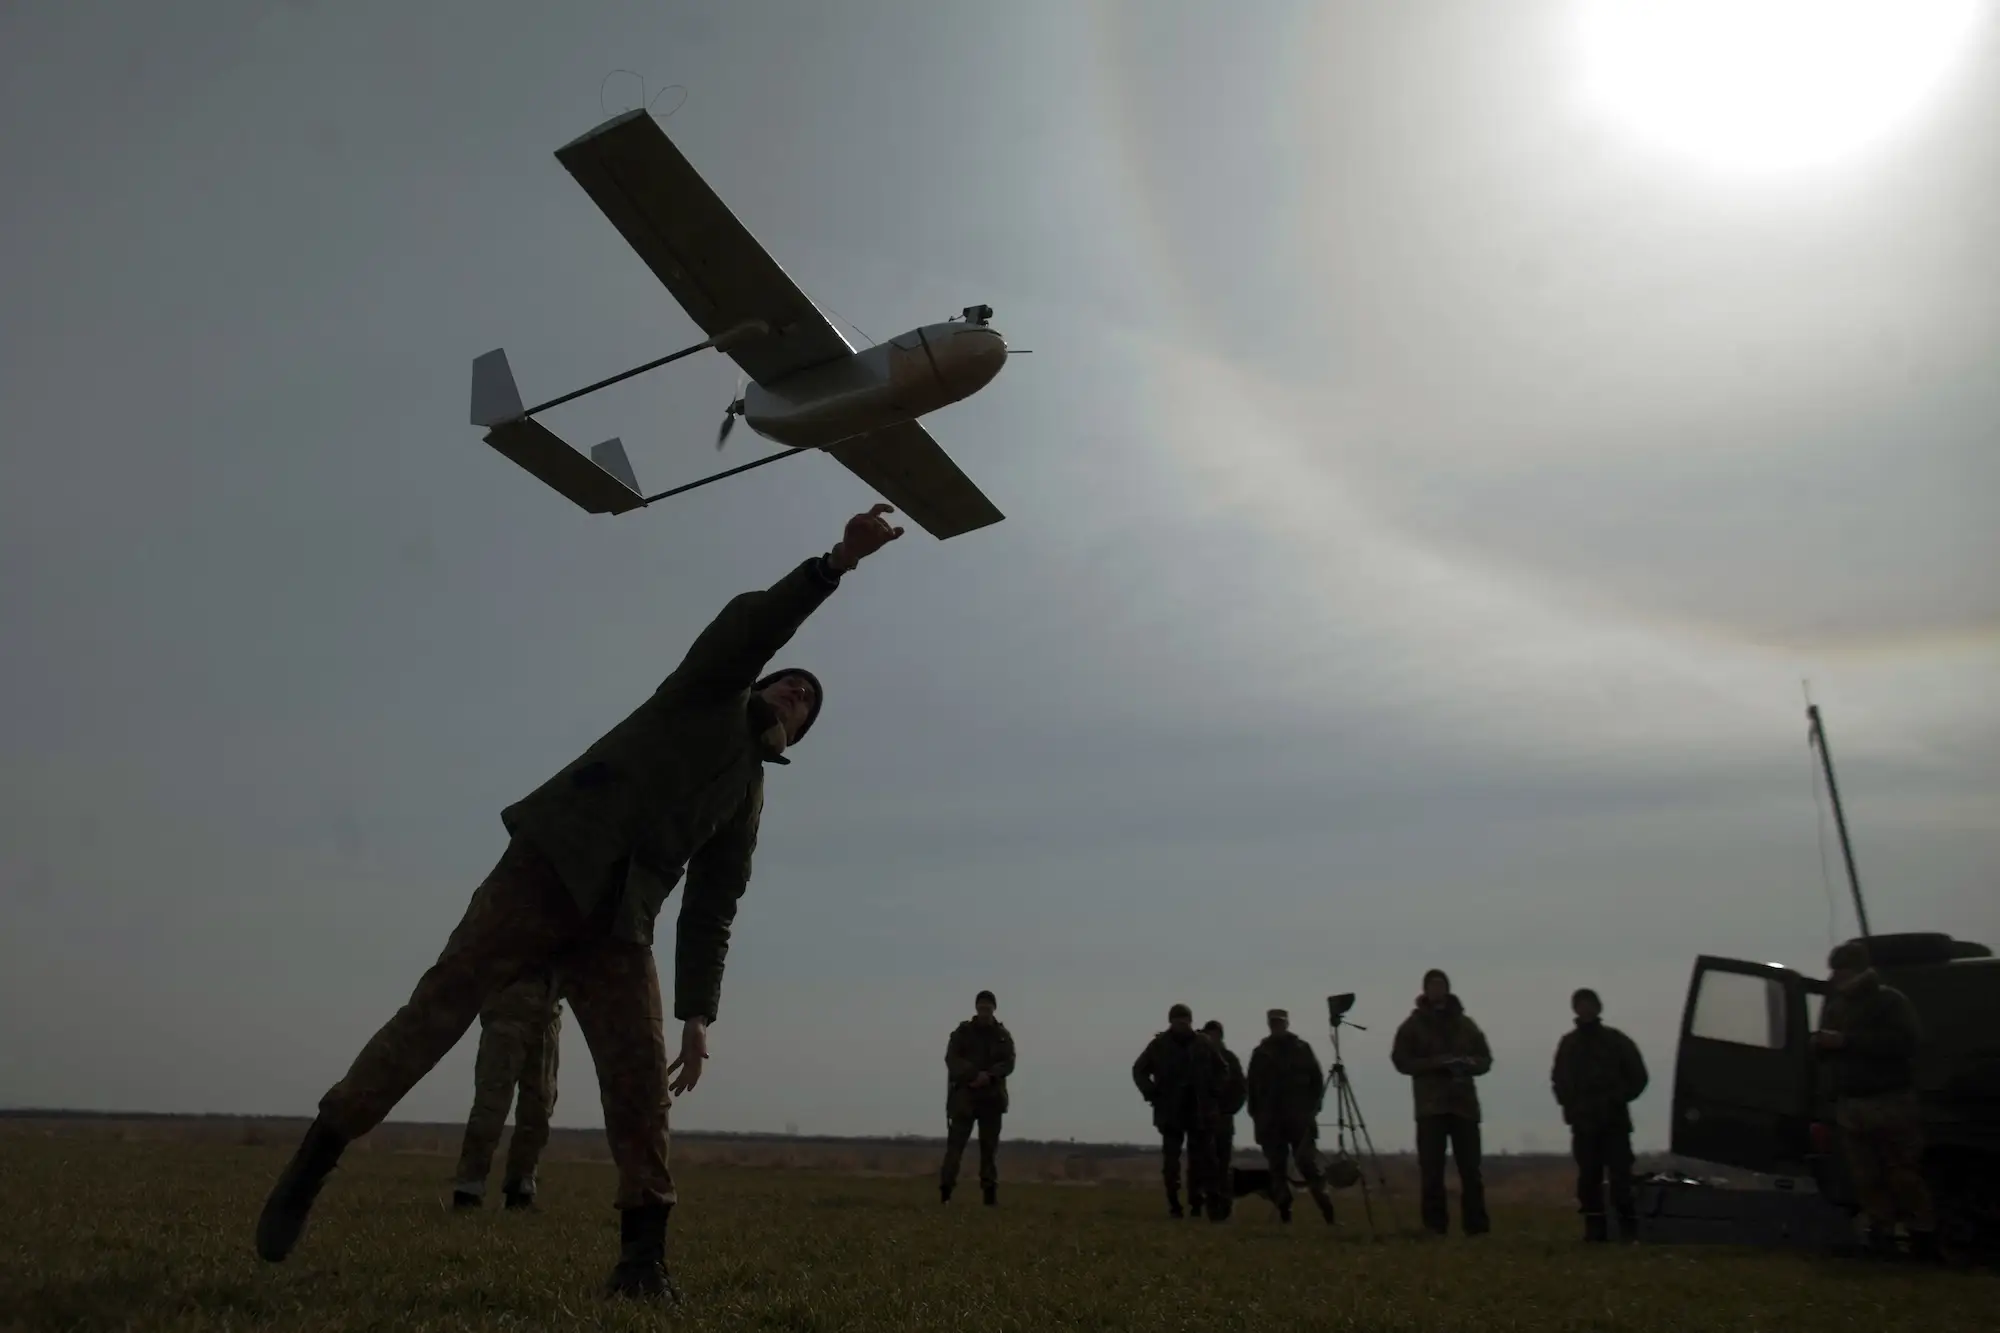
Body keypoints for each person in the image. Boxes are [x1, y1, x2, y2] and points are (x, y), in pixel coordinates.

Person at [253, 505, 908, 1303]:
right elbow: (754, 626)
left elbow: (714, 905)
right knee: (438, 1008)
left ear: (799, 734)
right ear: (762, 681)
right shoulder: (706, 691)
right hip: (548, 865)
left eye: (808, 700)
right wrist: (836, 562)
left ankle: (642, 1259)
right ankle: (318, 1153)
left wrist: (698, 1016)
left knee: (639, 1081)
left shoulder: (748, 796)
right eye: (790, 680)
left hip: (618, 925)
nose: (795, 692)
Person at [1813, 939, 1941, 1262]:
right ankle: (1882, 1237)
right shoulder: (1837, 1007)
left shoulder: (1890, 1002)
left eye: (1841, 970)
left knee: (1902, 1174)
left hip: (1890, 1101)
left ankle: (1923, 1238)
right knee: (1866, 1177)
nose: (1836, 978)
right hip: (1851, 1104)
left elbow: (1904, 1042)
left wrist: (1846, 1042)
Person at [451, 969, 565, 1210]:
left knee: (540, 1106)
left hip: (546, 1018)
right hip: (506, 1016)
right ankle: (469, 1186)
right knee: (491, 1105)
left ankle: (521, 1184)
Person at [1390, 968, 1493, 1236]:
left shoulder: (1466, 1025)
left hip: (1464, 1106)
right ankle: (1435, 1226)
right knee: (1431, 1171)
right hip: (1431, 1107)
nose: (1438, 991)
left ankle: (1476, 1226)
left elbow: (1485, 1059)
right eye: (1432, 986)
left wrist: (1468, 1064)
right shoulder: (1413, 1026)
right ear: (1425, 990)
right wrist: (1435, 1064)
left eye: (1441, 985)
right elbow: (1401, 1061)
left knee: (1471, 1171)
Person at [1549, 987, 1648, 1242]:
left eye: (1590, 1004)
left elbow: (1638, 1076)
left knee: (1621, 1179)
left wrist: (1617, 1098)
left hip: (1614, 1122)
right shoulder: (1569, 1044)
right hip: (1584, 1124)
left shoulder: (1616, 1041)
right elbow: (1559, 1080)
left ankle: (1628, 1231)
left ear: (1598, 1007)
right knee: (1589, 1180)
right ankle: (1595, 1232)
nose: (1586, 1009)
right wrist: (1571, 1108)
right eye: (1581, 1005)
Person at [1132, 1003, 1226, 1218]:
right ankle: (1174, 1204)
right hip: (1170, 1112)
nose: (1181, 1025)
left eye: (1185, 1021)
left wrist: (1212, 1092)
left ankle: (1200, 1205)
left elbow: (1222, 1069)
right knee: (1171, 1164)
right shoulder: (1159, 1045)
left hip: (1199, 1111)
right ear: (1171, 1022)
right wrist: (1152, 1093)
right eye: (1177, 1021)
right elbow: (1139, 1070)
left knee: (1202, 1162)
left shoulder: (1204, 1044)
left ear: (1191, 1022)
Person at [1246, 1008, 1336, 1224]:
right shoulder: (1261, 1053)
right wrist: (1258, 1117)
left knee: (1307, 1165)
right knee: (1277, 1169)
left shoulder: (1302, 1049)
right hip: (1271, 1121)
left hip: (1299, 1119)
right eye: (1273, 1023)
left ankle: (1328, 1213)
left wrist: (1312, 1110)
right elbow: (1251, 1089)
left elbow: (1317, 1080)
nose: (1277, 1026)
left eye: (1280, 1022)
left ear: (1287, 1023)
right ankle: (1285, 1214)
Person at [940, 989, 1016, 1206]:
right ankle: (945, 1193)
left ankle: (989, 1196)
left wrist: (988, 1076)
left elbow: (1009, 1062)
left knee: (989, 1151)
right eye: (981, 1007)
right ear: (976, 1007)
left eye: (988, 1007)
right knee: (955, 1149)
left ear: (994, 1009)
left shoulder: (1002, 1036)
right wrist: (973, 1074)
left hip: (991, 1099)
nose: (984, 1011)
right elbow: (952, 1059)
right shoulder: (962, 1033)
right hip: (965, 1098)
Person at [1200, 1019, 1247, 1221]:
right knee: (1205, 1165)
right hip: (1202, 1120)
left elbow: (1241, 1089)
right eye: (1207, 1034)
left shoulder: (1229, 1059)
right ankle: (1210, 1209)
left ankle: (1225, 1208)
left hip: (1224, 1120)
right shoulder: (1199, 1058)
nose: (1211, 1037)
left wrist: (1228, 1111)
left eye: (1214, 1034)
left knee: (1223, 1166)